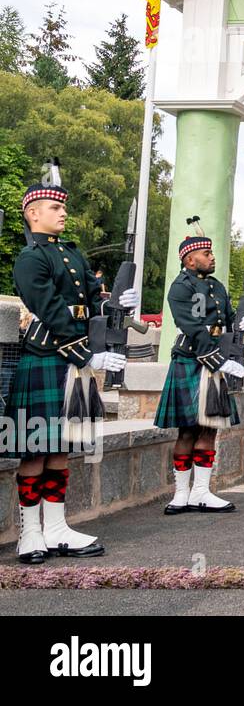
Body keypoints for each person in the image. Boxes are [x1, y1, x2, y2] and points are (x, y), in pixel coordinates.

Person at [6, 169, 124, 562]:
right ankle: (30, 533)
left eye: (63, 208)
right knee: (35, 449)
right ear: (33, 214)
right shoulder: (30, 259)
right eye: (55, 207)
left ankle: (57, 528)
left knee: (62, 447)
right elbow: (51, 311)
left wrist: (113, 303)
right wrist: (86, 354)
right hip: (45, 356)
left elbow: (91, 293)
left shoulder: (71, 253)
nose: (62, 214)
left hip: (68, 364)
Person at [156, 218, 244, 515]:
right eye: (206, 253)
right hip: (190, 359)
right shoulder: (179, 288)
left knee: (209, 428)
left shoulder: (216, 286)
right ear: (189, 258)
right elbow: (193, 328)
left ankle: (202, 491)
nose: (212, 257)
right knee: (186, 431)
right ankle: (181, 493)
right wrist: (218, 360)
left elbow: (226, 320)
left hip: (214, 362)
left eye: (211, 253)